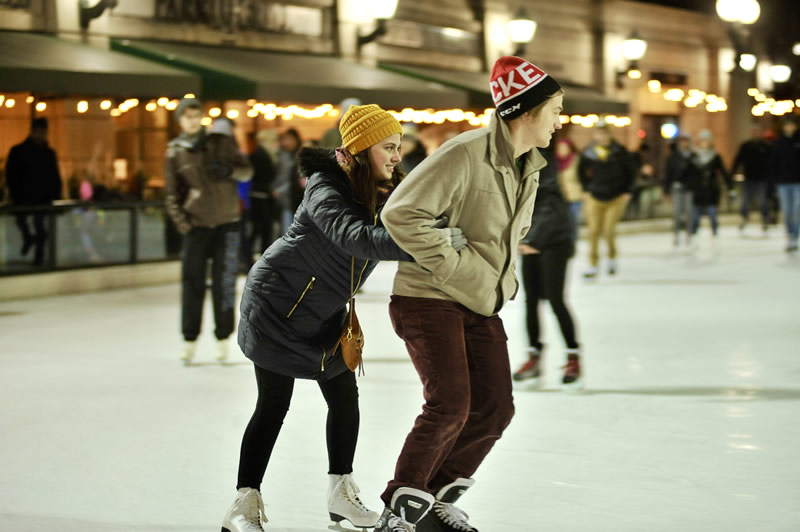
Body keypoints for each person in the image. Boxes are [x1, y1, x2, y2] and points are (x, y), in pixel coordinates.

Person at [222, 105, 455, 532]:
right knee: (273, 405)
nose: (395, 156)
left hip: (323, 313)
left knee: (344, 399)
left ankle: (339, 494)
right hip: (276, 306)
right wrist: (426, 245)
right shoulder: (324, 186)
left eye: (398, 147)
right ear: (359, 150)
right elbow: (356, 238)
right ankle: (244, 503)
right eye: (387, 147)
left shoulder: (383, 187)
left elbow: (424, 211)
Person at [377, 56, 564, 532]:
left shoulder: (531, 165)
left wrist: (495, 281)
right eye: (555, 110)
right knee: (450, 405)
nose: (559, 122)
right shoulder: (464, 152)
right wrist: (451, 261)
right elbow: (400, 213)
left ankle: (434, 501)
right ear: (524, 112)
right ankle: (398, 514)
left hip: (480, 301)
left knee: (496, 408)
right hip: (428, 297)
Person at [164, 101, 253, 365]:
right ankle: (189, 338)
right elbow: (171, 193)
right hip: (196, 224)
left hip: (228, 222)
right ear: (180, 121)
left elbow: (247, 171)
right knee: (192, 283)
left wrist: (231, 170)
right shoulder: (175, 151)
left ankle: (223, 337)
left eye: (196, 116)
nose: (192, 121)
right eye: (187, 117)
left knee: (224, 281)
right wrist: (183, 224)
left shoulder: (220, 142)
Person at [512, 141, 582, 389]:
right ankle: (534, 357)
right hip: (531, 239)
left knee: (555, 299)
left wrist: (532, 238)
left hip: (554, 239)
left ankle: (573, 357)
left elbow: (550, 202)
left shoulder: (539, 158)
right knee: (530, 300)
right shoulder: (514, 158)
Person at [578, 122, 636, 277]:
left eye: (604, 133)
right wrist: (585, 189)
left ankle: (611, 257)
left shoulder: (620, 152)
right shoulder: (589, 152)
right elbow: (581, 172)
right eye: (598, 133)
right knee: (593, 231)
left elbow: (631, 171)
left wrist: (627, 190)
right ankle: (593, 263)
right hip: (595, 196)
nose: (601, 136)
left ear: (609, 134)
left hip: (615, 197)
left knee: (608, 230)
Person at [5, 117, 63, 266]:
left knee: (39, 225)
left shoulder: (47, 153)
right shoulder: (19, 151)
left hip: (41, 198)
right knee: (25, 221)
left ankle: (37, 253)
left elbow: (55, 177)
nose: (41, 135)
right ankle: (30, 241)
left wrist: (56, 196)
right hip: (25, 197)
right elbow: (11, 175)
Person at [688, 129, 732, 248]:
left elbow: (723, 171)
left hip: (711, 189)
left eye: (707, 140)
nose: (705, 142)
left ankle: (715, 232)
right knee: (696, 213)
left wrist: (730, 186)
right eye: (702, 140)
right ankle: (694, 233)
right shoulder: (694, 156)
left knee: (712, 212)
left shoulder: (715, 156)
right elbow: (688, 172)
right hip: (699, 189)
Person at [732, 127, 771, 235]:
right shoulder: (746, 146)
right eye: (754, 132)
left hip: (762, 179)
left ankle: (765, 220)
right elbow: (738, 159)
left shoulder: (766, 147)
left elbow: (771, 163)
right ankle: (744, 219)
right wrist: (732, 172)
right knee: (745, 201)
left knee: (763, 202)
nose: (756, 134)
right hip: (749, 179)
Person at [248, 129, 279, 261]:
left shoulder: (265, 155)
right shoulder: (259, 156)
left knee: (261, 229)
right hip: (260, 197)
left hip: (262, 196)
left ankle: (259, 257)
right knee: (262, 229)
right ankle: (259, 258)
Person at [770, 118, 800, 252]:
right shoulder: (779, 143)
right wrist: (773, 182)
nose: (789, 128)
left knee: (796, 210)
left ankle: (795, 236)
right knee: (787, 211)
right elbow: (773, 164)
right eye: (787, 125)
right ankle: (789, 236)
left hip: (797, 183)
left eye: (791, 125)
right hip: (783, 183)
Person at [663, 134, 695, 247]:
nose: (683, 143)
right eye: (681, 141)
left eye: (685, 141)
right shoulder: (673, 157)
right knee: (677, 213)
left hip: (689, 189)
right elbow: (668, 174)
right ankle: (676, 235)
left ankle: (689, 235)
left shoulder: (693, 156)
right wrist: (666, 190)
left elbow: (696, 174)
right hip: (677, 188)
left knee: (689, 213)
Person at [274, 128, 304, 234]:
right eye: (284, 139)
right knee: (287, 229)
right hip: (286, 199)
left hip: (298, 197)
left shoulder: (299, 155)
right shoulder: (282, 156)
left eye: (289, 139)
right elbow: (281, 177)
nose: (286, 143)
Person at [555, 137, 582, 243]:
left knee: (572, 220)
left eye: (564, 148)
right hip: (559, 196)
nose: (562, 150)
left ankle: (572, 240)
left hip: (574, 196)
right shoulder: (554, 161)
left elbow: (584, 176)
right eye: (560, 148)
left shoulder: (576, 160)